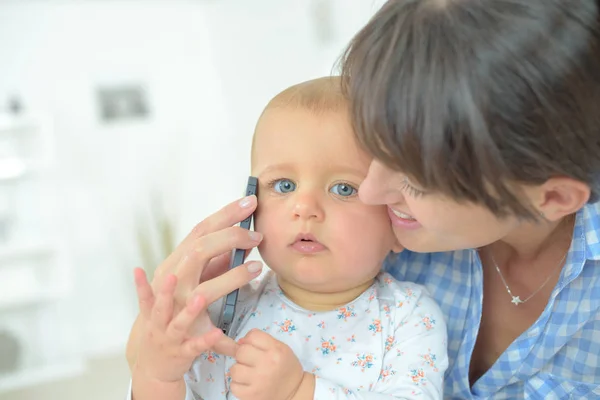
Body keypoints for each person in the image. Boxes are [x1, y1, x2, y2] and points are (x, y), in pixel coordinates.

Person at [127, 0, 600, 398]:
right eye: (375, 151)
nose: (373, 192)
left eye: (414, 178)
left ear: (553, 196)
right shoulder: (238, 304)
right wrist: (153, 364)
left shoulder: (404, 312)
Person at [128, 77, 448, 400]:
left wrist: (300, 391)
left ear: (397, 218)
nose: (304, 208)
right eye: (284, 185)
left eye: (344, 188)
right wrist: (157, 376)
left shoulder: (409, 316)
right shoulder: (223, 310)